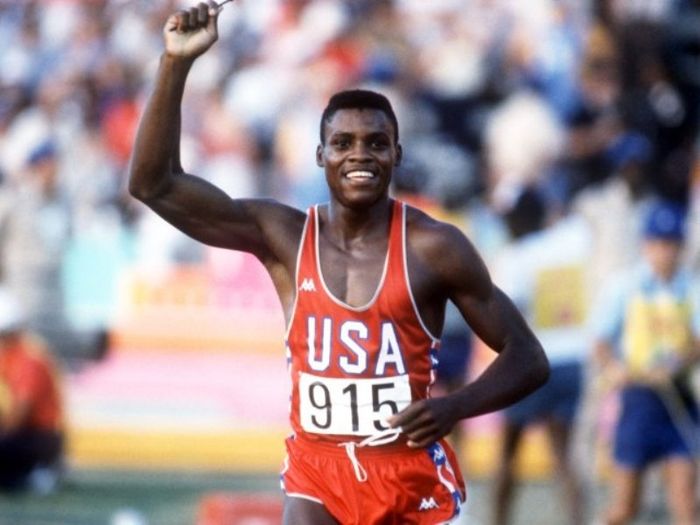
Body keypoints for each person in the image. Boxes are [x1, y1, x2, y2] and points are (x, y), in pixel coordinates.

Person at [128, 3, 549, 523]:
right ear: (319, 155)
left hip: (408, 477)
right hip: (317, 472)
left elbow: (528, 357)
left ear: (397, 154)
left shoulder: (433, 246)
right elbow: (152, 184)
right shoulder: (283, 235)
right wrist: (175, 63)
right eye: (343, 144)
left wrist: (452, 407)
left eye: (376, 144)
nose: (360, 155)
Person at [592, 200, 700, 525]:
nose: (665, 252)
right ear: (646, 244)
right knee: (625, 507)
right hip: (638, 402)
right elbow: (601, 340)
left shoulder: (690, 288)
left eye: (672, 244)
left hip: (678, 398)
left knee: (686, 505)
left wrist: (678, 362)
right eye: (659, 243)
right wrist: (615, 368)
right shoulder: (625, 287)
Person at [490, 189, 591, 525]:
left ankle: (498, 520)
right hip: (572, 358)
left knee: (508, 453)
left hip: (531, 361)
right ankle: (577, 520)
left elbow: (507, 311)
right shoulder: (574, 238)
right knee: (565, 456)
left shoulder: (515, 256)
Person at [0, 286, 64, 492]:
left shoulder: (28, 359)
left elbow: (19, 414)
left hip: (39, 437)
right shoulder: (9, 358)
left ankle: (33, 474)